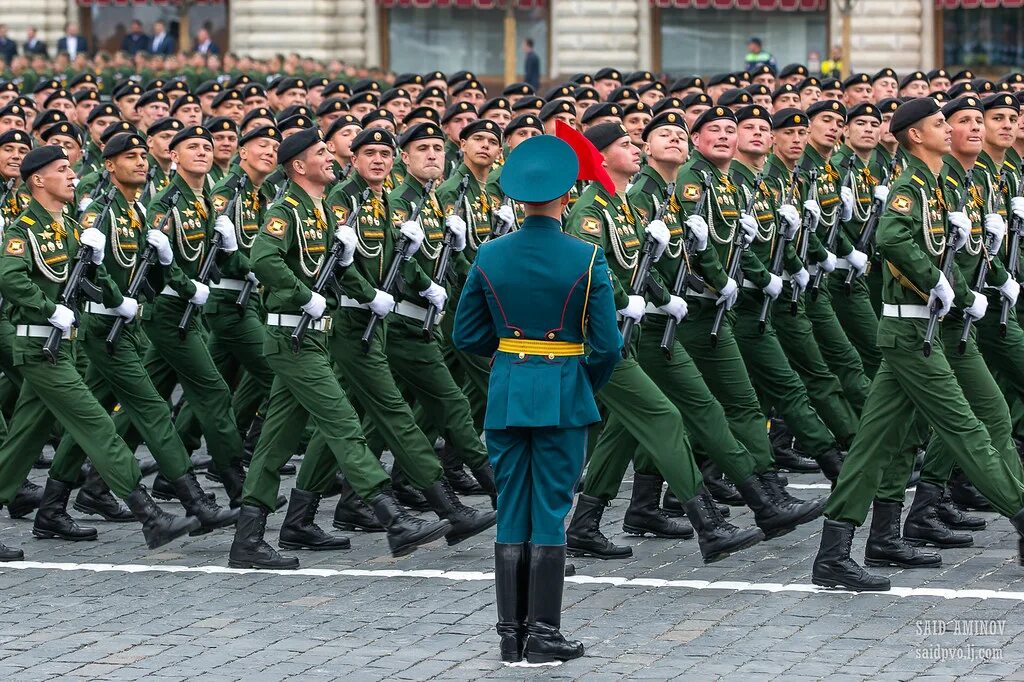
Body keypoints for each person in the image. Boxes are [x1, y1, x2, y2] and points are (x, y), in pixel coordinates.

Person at [811, 98, 1024, 592]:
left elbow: (959, 252)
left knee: (880, 443)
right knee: (967, 429)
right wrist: (941, 286)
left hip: (945, 331)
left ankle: (844, 549)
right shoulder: (911, 184)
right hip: (915, 334)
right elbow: (892, 238)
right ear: (913, 135)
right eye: (940, 125)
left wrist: (986, 279)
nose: (949, 131)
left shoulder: (944, 184)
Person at [453, 134, 620, 664]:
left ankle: (510, 636)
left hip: (507, 391)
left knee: (512, 507)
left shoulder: (490, 252)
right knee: (550, 508)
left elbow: (466, 335)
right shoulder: (587, 256)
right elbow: (608, 346)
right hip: (562, 390)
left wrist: (509, 358)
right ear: (568, 194)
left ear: (518, 197)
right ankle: (543, 635)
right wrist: (579, 383)